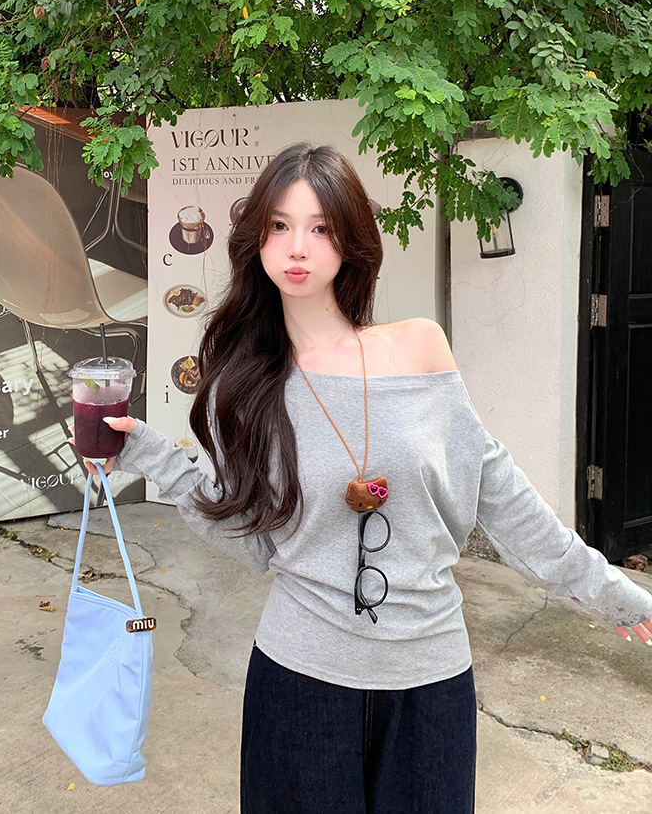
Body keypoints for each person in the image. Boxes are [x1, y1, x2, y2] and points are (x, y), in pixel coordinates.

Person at [80, 142, 652, 814]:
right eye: (280, 225)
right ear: (256, 239)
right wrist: (151, 455)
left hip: (431, 685)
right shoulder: (242, 385)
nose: (298, 247)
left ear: (350, 241)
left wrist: (610, 591)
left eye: (320, 227)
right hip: (299, 683)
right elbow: (257, 544)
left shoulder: (419, 346)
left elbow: (500, 493)